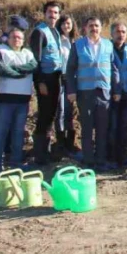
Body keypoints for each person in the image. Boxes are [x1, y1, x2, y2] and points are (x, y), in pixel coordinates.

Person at [65, 17, 119, 169]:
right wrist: (71, 90)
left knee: (102, 128)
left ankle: (101, 160)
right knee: (87, 127)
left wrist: (116, 89)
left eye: (96, 26)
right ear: (85, 28)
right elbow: (70, 69)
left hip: (104, 92)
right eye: (91, 26)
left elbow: (114, 69)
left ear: (101, 28)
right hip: (85, 93)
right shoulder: (78, 45)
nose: (94, 28)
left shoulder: (108, 45)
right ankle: (88, 160)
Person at [0, 27, 37, 178]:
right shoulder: (0, 50)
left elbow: (33, 66)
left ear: (23, 40)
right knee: (0, 132)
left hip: (22, 100)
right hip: (4, 99)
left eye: (19, 38)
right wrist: (18, 74)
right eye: (13, 37)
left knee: (18, 133)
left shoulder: (28, 53)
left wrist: (14, 69)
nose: (16, 40)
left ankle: (16, 163)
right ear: (8, 39)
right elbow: (1, 68)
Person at [30, 1, 66, 164]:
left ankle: (46, 150)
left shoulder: (55, 31)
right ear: (44, 14)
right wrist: (40, 82)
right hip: (45, 78)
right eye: (50, 12)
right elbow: (35, 60)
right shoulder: (39, 32)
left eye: (56, 12)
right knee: (44, 115)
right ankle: (40, 155)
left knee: (51, 115)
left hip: (56, 78)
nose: (53, 15)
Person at [108, 22, 127, 168]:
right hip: (111, 93)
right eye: (118, 32)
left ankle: (122, 157)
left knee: (124, 126)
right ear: (111, 34)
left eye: (123, 32)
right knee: (112, 126)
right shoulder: (106, 48)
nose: (121, 35)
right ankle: (110, 157)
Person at [54, 15, 79, 155]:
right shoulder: (57, 40)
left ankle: (70, 143)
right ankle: (60, 142)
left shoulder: (76, 42)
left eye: (68, 23)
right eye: (63, 23)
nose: (66, 26)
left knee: (70, 111)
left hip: (73, 79)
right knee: (61, 111)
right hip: (61, 77)